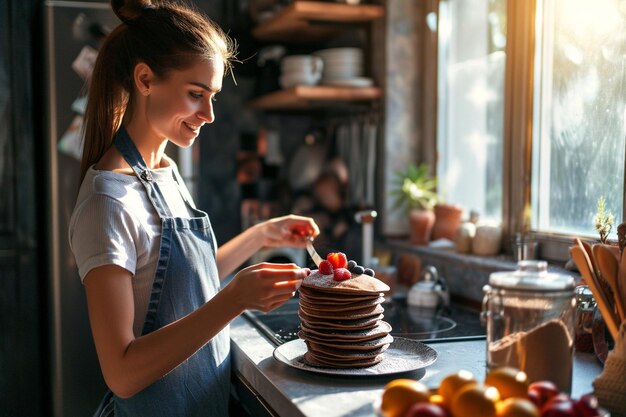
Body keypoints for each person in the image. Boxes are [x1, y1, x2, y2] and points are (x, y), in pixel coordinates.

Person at [68, 1, 319, 416]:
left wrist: (262, 235)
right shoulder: (108, 201)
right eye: (195, 94)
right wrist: (234, 300)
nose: (209, 114)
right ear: (145, 79)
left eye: (213, 96)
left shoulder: (164, 169)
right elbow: (122, 373)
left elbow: (186, 285)